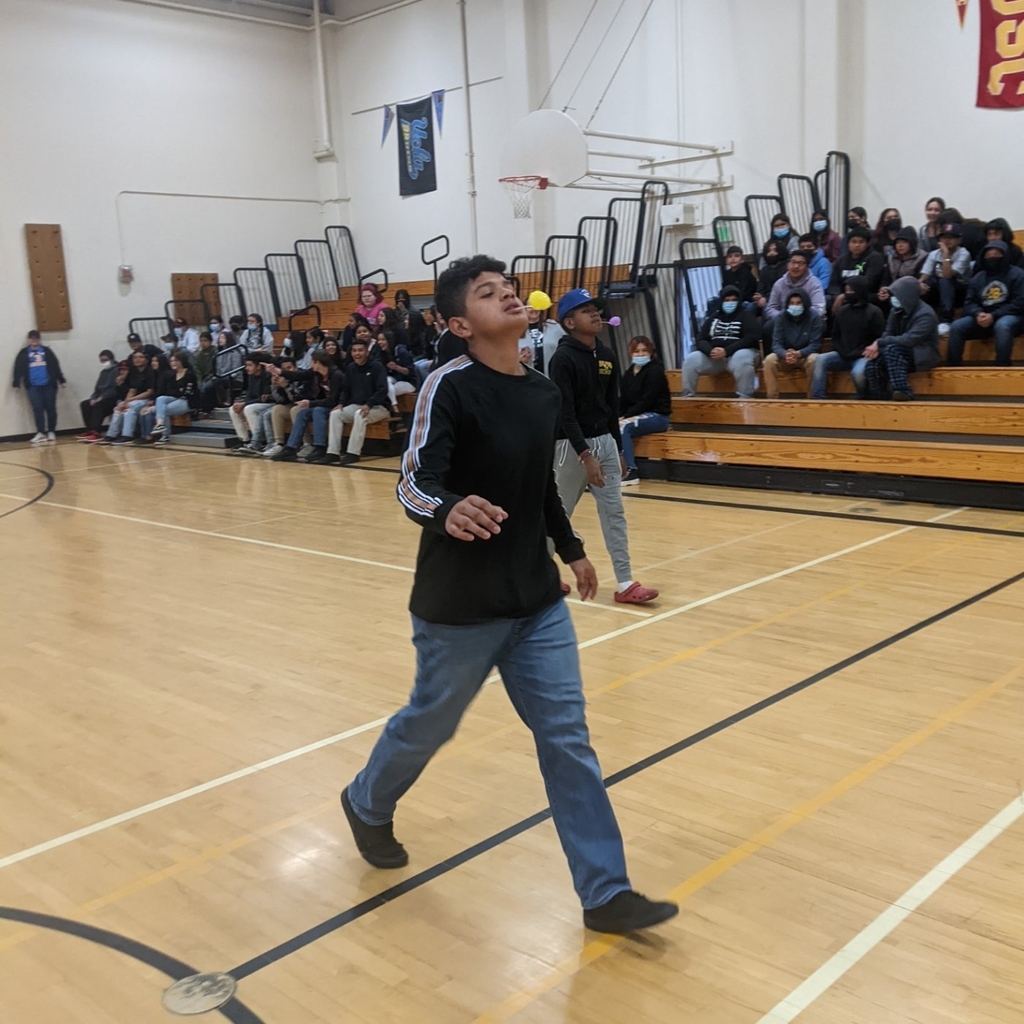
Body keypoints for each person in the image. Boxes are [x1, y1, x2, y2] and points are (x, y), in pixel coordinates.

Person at [341, 255, 678, 935]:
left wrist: (571, 547)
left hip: (538, 603)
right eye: (488, 293)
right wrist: (446, 508)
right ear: (460, 325)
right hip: (460, 606)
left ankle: (605, 892)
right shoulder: (448, 386)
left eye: (509, 288)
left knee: (567, 739)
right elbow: (413, 481)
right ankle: (367, 801)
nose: (509, 297)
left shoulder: (542, 392)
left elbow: (538, 485)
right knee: (430, 723)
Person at [548, 289, 658, 606]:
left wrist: (617, 450)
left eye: (596, 309)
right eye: (586, 310)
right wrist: (585, 454)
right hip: (570, 446)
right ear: (569, 322)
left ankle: (625, 582)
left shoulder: (607, 355)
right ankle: (540, 574)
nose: (596, 313)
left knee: (614, 513)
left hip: (605, 443)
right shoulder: (562, 359)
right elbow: (565, 413)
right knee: (557, 514)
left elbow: (612, 408)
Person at [946, 240, 1024, 367]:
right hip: (982, 317)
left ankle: (1002, 366)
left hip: (1011, 316)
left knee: (1003, 325)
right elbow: (969, 302)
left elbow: (1020, 302)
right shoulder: (978, 277)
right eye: (989, 255)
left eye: (997, 254)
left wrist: (994, 315)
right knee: (956, 326)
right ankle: (953, 367)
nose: (992, 257)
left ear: (1005, 255)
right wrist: (978, 313)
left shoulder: (1018, 274)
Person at [864, 277, 940, 400]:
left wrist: (880, 342)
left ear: (907, 295)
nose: (893, 298)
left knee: (891, 350)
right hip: (900, 351)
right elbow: (888, 332)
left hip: (923, 354)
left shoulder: (926, 314)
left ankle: (903, 391)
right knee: (873, 362)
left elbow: (910, 340)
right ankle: (878, 397)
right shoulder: (895, 311)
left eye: (896, 295)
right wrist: (878, 348)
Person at [319, 338, 391, 466]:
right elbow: (345, 389)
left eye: (360, 350)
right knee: (335, 414)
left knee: (359, 414)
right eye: (354, 351)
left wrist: (369, 404)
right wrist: (341, 403)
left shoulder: (377, 366)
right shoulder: (351, 367)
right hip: (357, 405)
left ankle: (353, 453)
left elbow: (382, 390)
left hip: (379, 407)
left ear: (367, 352)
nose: (357, 353)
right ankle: (333, 452)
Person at [682, 284, 761, 398]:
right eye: (727, 300)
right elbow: (701, 339)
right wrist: (710, 351)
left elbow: (752, 337)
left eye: (734, 300)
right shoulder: (714, 317)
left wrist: (726, 351)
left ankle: (745, 398)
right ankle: (687, 397)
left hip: (738, 355)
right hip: (715, 358)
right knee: (691, 359)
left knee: (742, 358)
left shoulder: (747, 316)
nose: (730, 303)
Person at [810, 277, 882, 399]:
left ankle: (863, 397)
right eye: (846, 290)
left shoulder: (874, 312)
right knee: (820, 360)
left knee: (858, 373)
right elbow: (835, 335)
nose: (848, 293)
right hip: (842, 355)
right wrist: (841, 350)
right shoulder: (842, 311)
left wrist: (868, 351)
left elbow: (879, 337)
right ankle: (818, 398)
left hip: (863, 356)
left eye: (851, 290)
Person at [271, 350, 344, 462]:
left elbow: (332, 401)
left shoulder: (336, 375)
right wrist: (279, 371)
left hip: (337, 405)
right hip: (323, 404)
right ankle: (291, 448)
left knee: (318, 411)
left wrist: (310, 403)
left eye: (312, 362)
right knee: (302, 413)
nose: (310, 364)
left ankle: (320, 447)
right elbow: (298, 375)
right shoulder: (316, 373)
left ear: (317, 363)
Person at [619, 337, 671, 485]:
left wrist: (625, 416)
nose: (641, 354)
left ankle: (631, 471)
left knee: (623, 427)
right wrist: (618, 415)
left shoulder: (655, 370)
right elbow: (624, 400)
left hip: (657, 415)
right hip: (636, 414)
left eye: (644, 350)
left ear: (650, 352)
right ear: (631, 353)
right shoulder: (628, 373)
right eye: (637, 351)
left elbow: (647, 400)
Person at [762, 289, 823, 399]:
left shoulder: (815, 317)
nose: (795, 306)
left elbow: (815, 344)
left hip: (805, 356)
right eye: (792, 303)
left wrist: (799, 353)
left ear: (805, 303)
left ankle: (812, 400)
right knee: (769, 360)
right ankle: (772, 399)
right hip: (786, 356)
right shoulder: (781, 317)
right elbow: (776, 343)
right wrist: (785, 354)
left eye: (798, 303)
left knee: (815, 359)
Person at [918, 223, 972, 333]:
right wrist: (920, 284)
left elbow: (948, 275)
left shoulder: (964, 254)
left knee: (945, 281)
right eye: (944, 237)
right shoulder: (933, 254)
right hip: (940, 291)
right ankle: (919, 318)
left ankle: (946, 321)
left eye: (951, 237)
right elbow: (925, 275)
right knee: (927, 283)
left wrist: (946, 255)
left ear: (959, 240)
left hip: (960, 292)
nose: (947, 240)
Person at [12, 330, 65, 443]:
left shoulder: (47, 351)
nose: (34, 341)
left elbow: (55, 366)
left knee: (50, 408)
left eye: (36, 339)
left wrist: (61, 380)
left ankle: (51, 431)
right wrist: (16, 383)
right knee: (37, 409)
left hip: (48, 384)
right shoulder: (23, 353)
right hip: (33, 386)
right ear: (28, 340)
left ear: (39, 340)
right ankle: (40, 432)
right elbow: (18, 368)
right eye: (32, 339)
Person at [762, 250, 825, 341]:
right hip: (785, 320)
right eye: (793, 262)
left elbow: (819, 308)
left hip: (807, 320)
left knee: (820, 325)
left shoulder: (814, 283)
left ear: (807, 267)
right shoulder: (779, 284)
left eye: (800, 263)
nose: (796, 266)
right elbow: (771, 308)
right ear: (788, 265)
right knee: (768, 327)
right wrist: (785, 317)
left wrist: (800, 317)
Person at [98, 349, 155, 444]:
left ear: (146, 360)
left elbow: (149, 392)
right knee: (119, 408)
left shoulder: (149, 372)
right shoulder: (134, 372)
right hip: (134, 399)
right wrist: (125, 402)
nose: (137, 359)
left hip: (147, 399)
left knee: (130, 408)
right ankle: (111, 434)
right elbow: (132, 389)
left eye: (140, 357)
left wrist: (131, 400)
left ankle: (127, 435)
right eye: (135, 357)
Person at [140, 352, 198, 444]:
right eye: (171, 361)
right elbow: (170, 391)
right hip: (176, 398)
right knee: (160, 399)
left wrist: (177, 391)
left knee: (164, 409)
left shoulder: (189, 374)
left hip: (187, 401)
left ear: (182, 361)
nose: (173, 363)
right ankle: (160, 425)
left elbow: (186, 393)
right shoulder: (173, 375)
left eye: (175, 361)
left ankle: (165, 435)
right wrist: (178, 391)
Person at [827, 227, 885, 314]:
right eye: (853, 242)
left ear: (868, 244)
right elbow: (833, 284)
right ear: (848, 243)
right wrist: (837, 296)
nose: (857, 245)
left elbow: (869, 283)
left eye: (861, 242)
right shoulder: (841, 260)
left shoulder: (874, 258)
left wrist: (845, 296)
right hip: (841, 298)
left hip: (866, 299)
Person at [229, 355, 273, 454]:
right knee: (233, 409)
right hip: (256, 403)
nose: (246, 368)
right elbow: (250, 394)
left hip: (270, 403)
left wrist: (245, 404)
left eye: (249, 365)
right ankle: (245, 440)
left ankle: (259, 441)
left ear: (259, 366)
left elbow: (265, 398)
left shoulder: (267, 376)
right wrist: (241, 402)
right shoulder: (251, 376)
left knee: (249, 409)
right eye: (246, 365)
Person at [78, 349, 121, 441]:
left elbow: (114, 389)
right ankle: (89, 429)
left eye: (105, 360)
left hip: (111, 398)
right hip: (100, 397)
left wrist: (102, 397)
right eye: (102, 361)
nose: (104, 362)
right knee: (85, 404)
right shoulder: (103, 372)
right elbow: (97, 389)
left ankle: (96, 431)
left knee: (98, 405)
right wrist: (93, 398)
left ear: (111, 359)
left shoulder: (117, 371)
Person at [518, 290, 562, 373]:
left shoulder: (553, 327)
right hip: (528, 376)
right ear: (524, 309)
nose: (534, 309)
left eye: (536, 306)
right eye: (530, 306)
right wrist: (519, 360)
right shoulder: (516, 331)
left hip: (552, 376)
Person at [879, 228, 926, 305]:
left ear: (912, 243)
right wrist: (883, 289)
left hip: (912, 293)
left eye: (904, 242)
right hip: (892, 291)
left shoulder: (922, 257)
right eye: (898, 242)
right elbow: (886, 279)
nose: (900, 246)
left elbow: (917, 282)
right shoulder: (891, 258)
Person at [753, 240, 787, 313]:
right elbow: (760, 288)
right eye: (768, 251)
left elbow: (783, 290)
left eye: (775, 250)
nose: (771, 253)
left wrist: (767, 299)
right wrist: (759, 296)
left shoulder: (787, 267)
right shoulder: (764, 270)